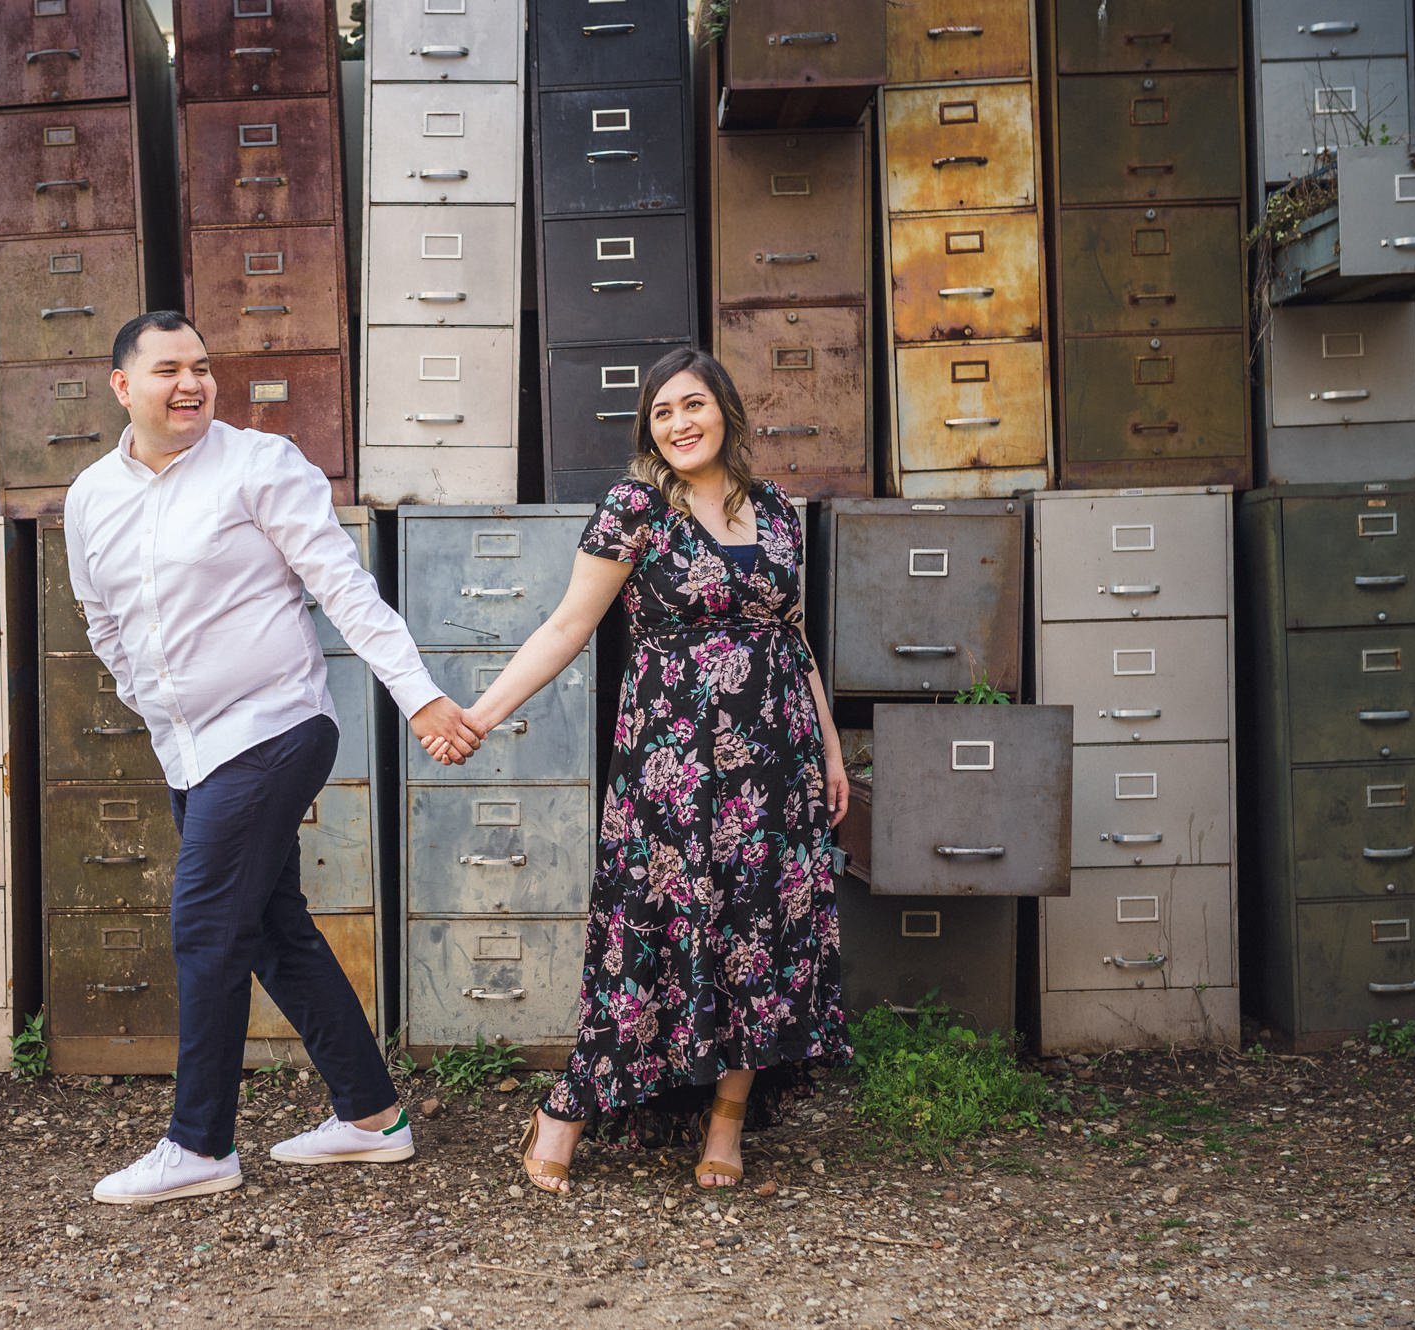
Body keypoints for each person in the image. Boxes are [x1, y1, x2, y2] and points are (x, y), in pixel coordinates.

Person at [68, 310, 484, 1206]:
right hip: (189, 748)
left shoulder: (259, 464)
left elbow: (343, 585)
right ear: (123, 387)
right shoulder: (91, 495)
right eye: (170, 370)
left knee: (204, 926)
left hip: (273, 725)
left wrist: (418, 694)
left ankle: (200, 1144)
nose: (192, 384)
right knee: (267, 927)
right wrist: (153, 705)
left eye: (202, 367)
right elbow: (101, 621)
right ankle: (372, 1115)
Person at [423, 347, 852, 1192]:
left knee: (759, 935)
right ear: (648, 430)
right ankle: (566, 1111)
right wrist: (479, 715)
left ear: (725, 410)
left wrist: (831, 749)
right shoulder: (636, 508)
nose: (680, 424)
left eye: (693, 405)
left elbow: (793, 634)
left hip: (777, 762)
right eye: (662, 413)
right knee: (646, 935)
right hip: (675, 772)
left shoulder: (775, 510)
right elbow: (565, 626)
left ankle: (726, 1124)